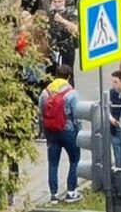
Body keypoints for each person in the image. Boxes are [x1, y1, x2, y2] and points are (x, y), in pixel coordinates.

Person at [38, 64, 82, 204]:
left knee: (53, 163)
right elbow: (77, 116)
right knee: (74, 161)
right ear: (69, 77)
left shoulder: (46, 92)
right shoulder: (72, 93)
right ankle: (71, 192)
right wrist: (79, 131)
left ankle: (54, 195)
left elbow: (41, 113)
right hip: (68, 131)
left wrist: (44, 130)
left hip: (51, 131)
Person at [48, 0, 79, 82]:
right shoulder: (50, 14)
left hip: (67, 48)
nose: (57, 4)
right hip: (53, 48)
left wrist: (62, 20)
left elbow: (75, 29)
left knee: (68, 73)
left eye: (59, 1)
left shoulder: (70, 13)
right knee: (52, 74)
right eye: (55, 2)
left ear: (64, 1)